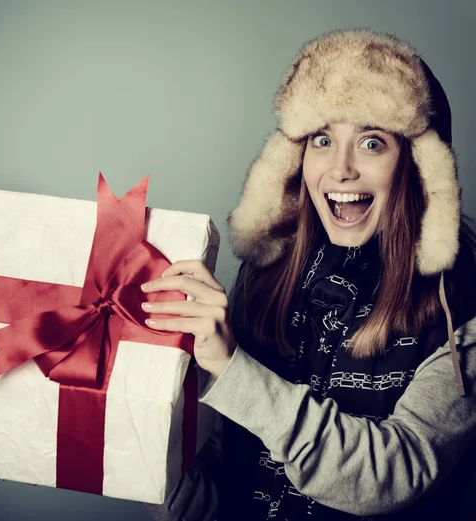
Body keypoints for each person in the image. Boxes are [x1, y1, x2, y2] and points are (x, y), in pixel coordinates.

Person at [139, 29, 476, 520]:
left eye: (371, 142)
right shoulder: (268, 281)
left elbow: (394, 472)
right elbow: (225, 468)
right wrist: (147, 445)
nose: (339, 169)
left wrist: (233, 370)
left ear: (420, 167)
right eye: (323, 139)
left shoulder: (458, 311)